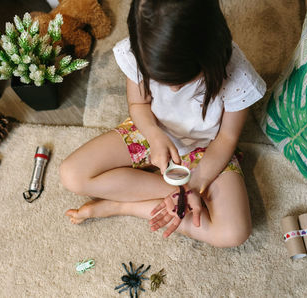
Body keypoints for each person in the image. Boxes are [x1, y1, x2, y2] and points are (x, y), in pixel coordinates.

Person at [60, 0, 266, 248]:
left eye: (182, 81)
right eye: (161, 80)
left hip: (207, 150)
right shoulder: (139, 53)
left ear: (210, 52)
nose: (173, 89)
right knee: (72, 174)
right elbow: (139, 106)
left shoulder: (236, 74)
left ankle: (124, 204)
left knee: (233, 233)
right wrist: (154, 135)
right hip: (151, 132)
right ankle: (173, 196)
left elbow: (227, 139)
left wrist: (196, 183)